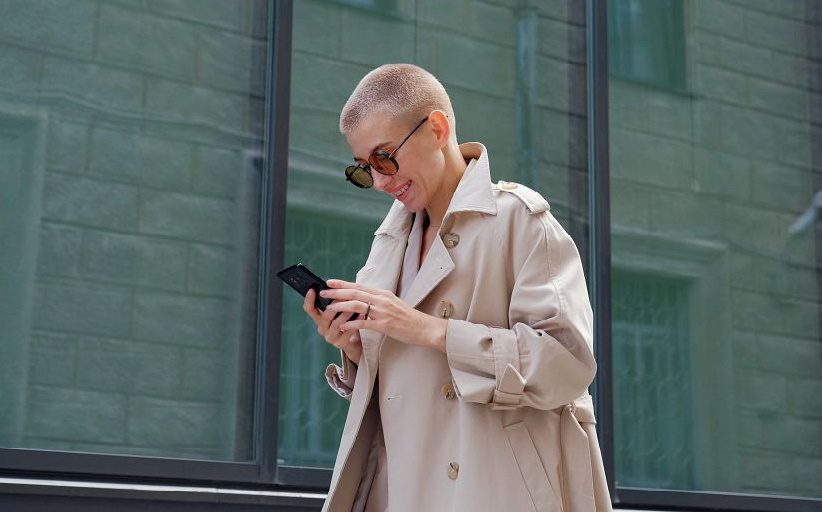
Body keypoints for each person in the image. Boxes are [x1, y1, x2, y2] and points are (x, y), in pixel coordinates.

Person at [302, 63, 611, 512]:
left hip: (495, 489)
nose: (381, 182)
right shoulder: (389, 245)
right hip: (403, 490)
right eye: (365, 169)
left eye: (385, 157)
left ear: (437, 128)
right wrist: (354, 349)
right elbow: (406, 388)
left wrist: (432, 331)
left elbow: (566, 364)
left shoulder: (520, 221)